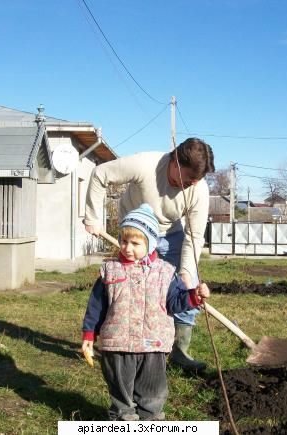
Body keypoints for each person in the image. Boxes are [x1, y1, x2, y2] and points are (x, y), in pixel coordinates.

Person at [83, 137, 215, 371]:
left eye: (197, 180)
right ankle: (119, 344)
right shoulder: (146, 164)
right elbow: (100, 174)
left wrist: (185, 271)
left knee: (188, 286)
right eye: (189, 179)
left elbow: (194, 236)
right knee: (130, 288)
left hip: (171, 235)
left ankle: (180, 351)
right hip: (136, 234)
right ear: (175, 162)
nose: (193, 184)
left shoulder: (199, 189)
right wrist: (92, 218)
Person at [81, 204, 211, 421]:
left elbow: (175, 303)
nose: (127, 248)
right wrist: (88, 334)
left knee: (153, 390)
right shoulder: (110, 271)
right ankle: (124, 419)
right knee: (121, 391)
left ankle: (150, 421)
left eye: (135, 243)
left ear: (150, 245)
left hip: (154, 344)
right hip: (117, 344)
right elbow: (96, 306)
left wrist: (194, 297)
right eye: (124, 241)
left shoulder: (165, 273)